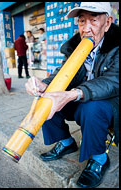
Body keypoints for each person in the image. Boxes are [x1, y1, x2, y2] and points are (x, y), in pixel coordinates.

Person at [25, 2, 119, 188]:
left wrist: (74, 94)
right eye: (82, 21)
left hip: (110, 105)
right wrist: (44, 84)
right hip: (82, 98)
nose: (87, 28)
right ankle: (67, 142)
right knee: (46, 98)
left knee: (91, 108)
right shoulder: (75, 47)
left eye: (93, 20)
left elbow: (113, 81)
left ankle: (99, 158)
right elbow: (62, 73)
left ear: (107, 23)